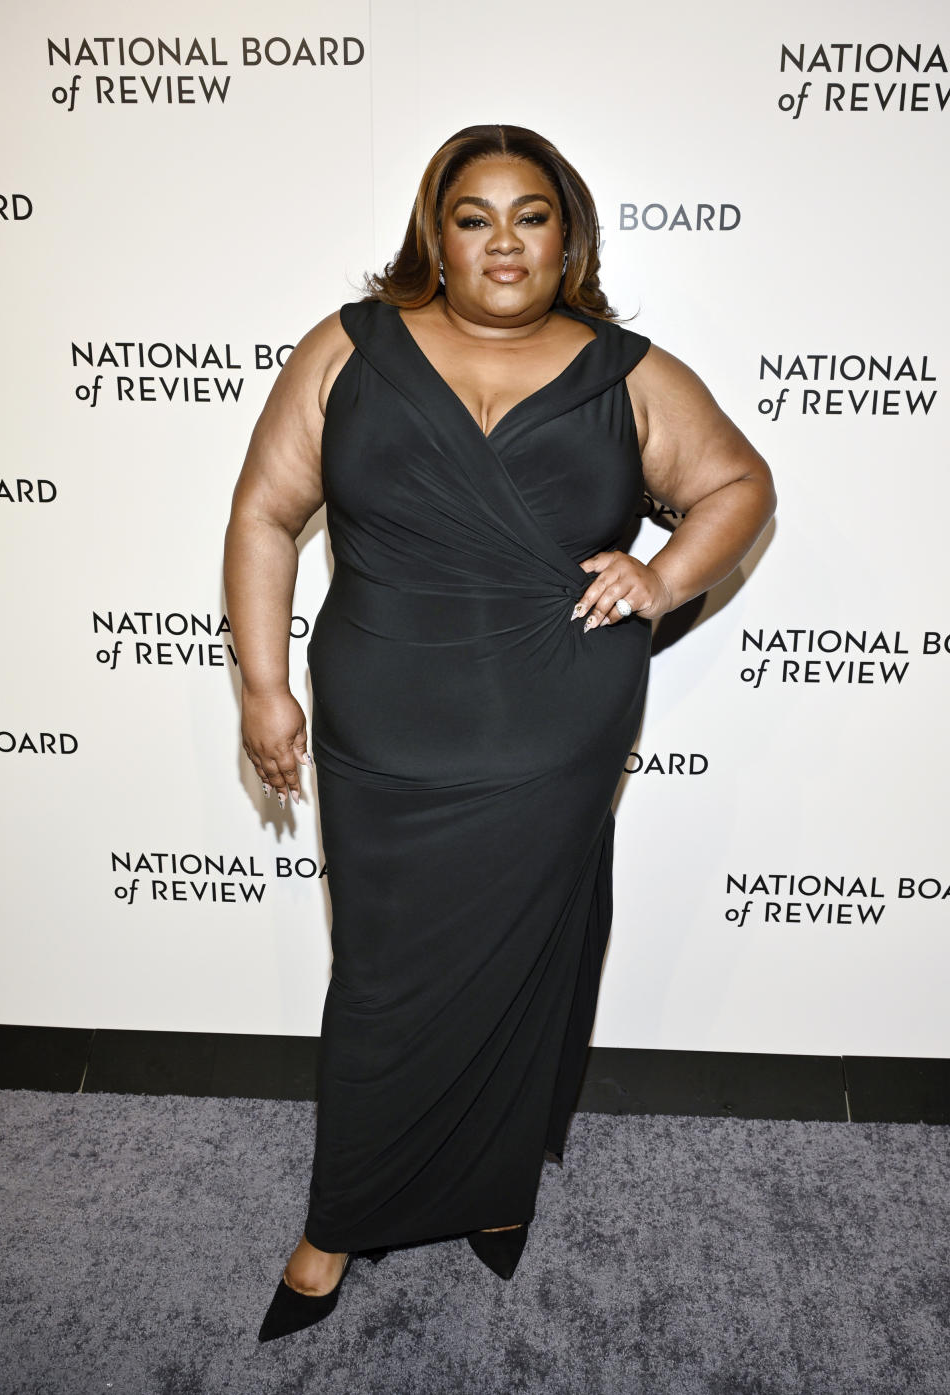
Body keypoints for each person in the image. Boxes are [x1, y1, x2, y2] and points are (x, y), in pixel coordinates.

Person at [222, 123, 776, 1342]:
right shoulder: (347, 349)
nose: (505, 241)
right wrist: (265, 688)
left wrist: (662, 575)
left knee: (522, 953)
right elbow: (266, 515)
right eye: (475, 216)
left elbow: (740, 484)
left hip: (552, 721)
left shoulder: (625, 370)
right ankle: (342, 1218)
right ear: (438, 233)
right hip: (384, 718)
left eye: (531, 215)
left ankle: (489, 1181)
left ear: (565, 234)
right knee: (381, 977)